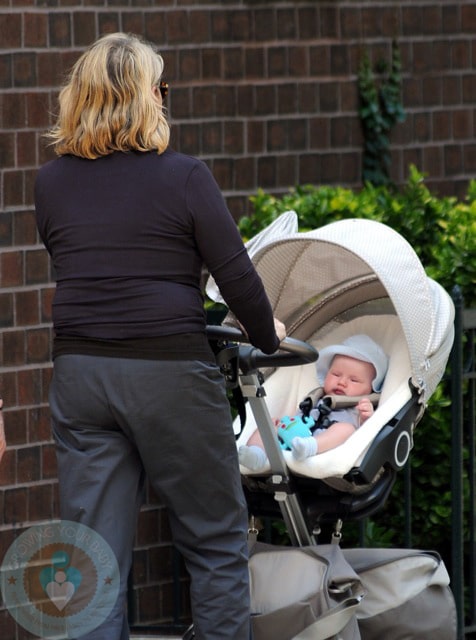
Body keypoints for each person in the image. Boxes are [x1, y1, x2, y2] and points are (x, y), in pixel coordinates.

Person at [34, 32, 286, 640]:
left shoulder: (50, 183)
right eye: (160, 89)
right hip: (168, 373)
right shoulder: (185, 177)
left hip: (81, 376)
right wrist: (269, 339)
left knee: (93, 559)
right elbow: (238, 279)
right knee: (216, 542)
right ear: (142, 98)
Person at [239, 334, 388, 470]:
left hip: (325, 442)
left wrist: (366, 417)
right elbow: (298, 416)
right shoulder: (316, 397)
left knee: (346, 429)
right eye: (336, 374)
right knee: (269, 422)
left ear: (370, 389)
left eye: (354, 380)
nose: (342, 382)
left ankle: (311, 447)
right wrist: (285, 425)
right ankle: (256, 454)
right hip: (295, 436)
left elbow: (367, 434)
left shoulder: (360, 406)